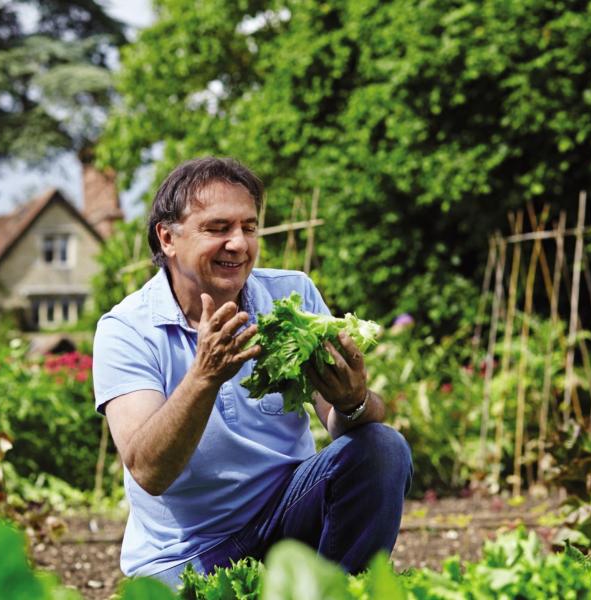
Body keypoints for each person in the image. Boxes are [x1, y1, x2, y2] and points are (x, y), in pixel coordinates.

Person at [92, 157, 412, 588]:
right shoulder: (127, 329)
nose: (239, 243)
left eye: (249, 227)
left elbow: (342, 424)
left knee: (383, 447)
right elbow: (149, 471)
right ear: (167, 238)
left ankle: (337, 594)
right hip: (187, 553)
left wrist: (353, 402)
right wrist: (204, 378)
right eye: (218, 228)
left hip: (288, 520)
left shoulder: (291, 294)